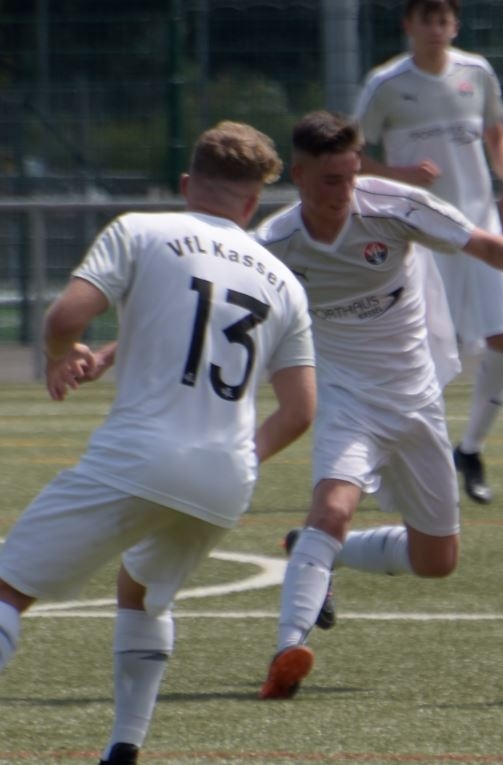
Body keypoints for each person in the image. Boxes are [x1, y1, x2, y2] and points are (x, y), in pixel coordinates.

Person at [254, 110, 503, 700]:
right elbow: (217, 298)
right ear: (298, 176)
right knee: (331, 509)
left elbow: (486, 245)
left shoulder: (394, 206)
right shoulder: (273, 244)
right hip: (346, 401)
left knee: (436, 560)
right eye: (330, 180)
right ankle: (287, 650)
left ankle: (316, 552)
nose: (345, 191)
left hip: (416, 400)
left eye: (351, 176)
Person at [0, 122, 316, 764]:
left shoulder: (141, 229)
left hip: (139, 456)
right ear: (254, 201)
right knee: (141, 592)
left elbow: (66, 317)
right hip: (225, 479)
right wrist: (237, 458)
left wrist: (61, 353)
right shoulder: (285, 282)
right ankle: (124, 748)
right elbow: (300, 410)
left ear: (186, 183)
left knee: (7, 591)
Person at [354, 0, 503, 505]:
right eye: (426, 19)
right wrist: (400, 175)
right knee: (422, 357)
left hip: (480, 228)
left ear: (455, 26)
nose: (435, 28)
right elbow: (352, 153)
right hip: (422, 234)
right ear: (408, 25)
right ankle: (392, 459)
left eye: (443, 19)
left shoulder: (477, 73)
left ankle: (470, 450)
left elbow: (496, 135)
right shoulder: (385, 83)